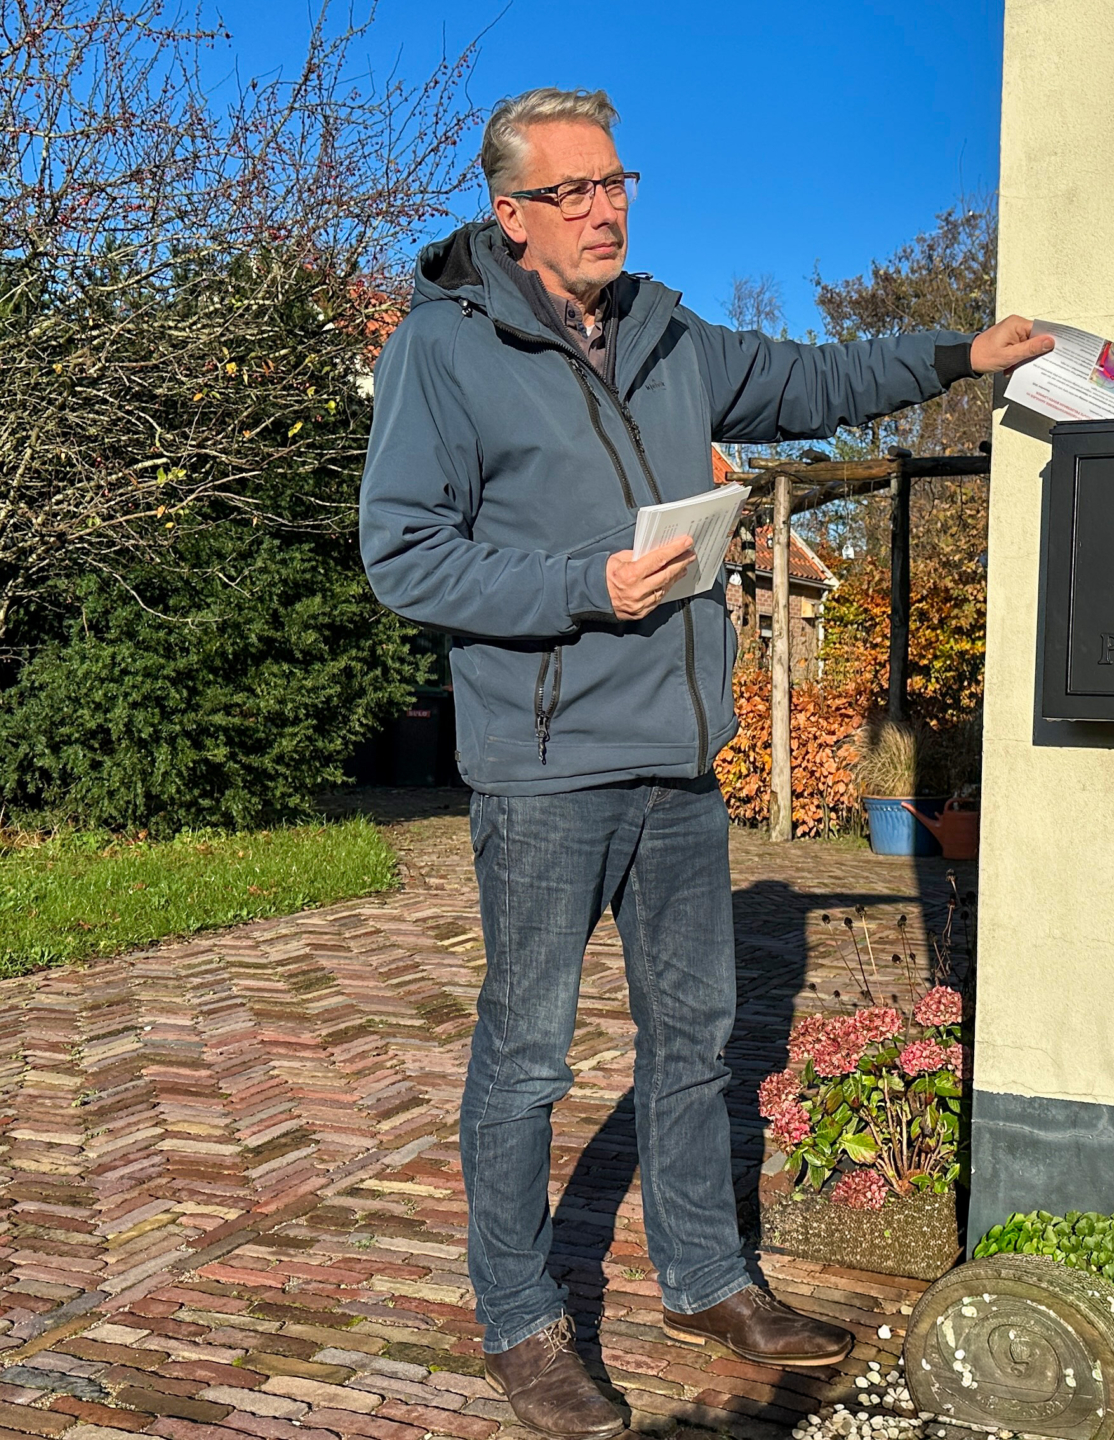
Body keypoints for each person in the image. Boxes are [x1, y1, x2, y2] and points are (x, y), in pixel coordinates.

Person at [359, 87, 1052, 1439]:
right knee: (529, 1057)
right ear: (510, 216)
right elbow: (405, 553)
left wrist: (960, 352)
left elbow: (811, 380)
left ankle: (706, 1279)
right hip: (547, 767)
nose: (606, 206)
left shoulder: (671, 334)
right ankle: (519, 1319)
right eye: (573, 191)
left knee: (694, 1043)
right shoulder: (443, 351)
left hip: (678, 761)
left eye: (617, 181)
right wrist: (586, 584)